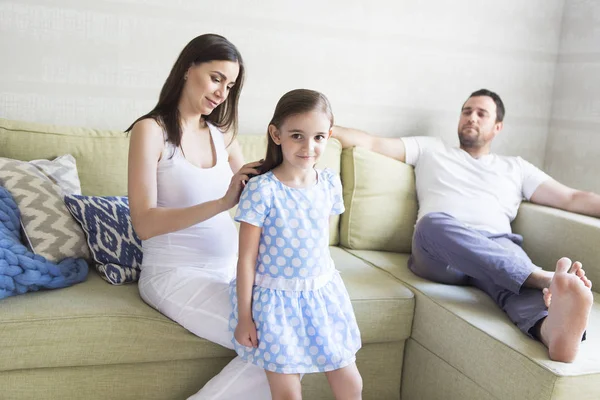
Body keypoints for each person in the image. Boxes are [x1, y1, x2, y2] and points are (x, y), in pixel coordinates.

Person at [332, 89, 595, 363]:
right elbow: (372, 143)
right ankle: (542, 276)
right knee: (432, 223)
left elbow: (572, 197)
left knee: (519, 286)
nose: (472, 118)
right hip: (440, 249)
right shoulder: (430, 149)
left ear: (497, 127)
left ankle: (553, 333)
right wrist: (321, 127)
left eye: (482, 114)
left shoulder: (515, 167)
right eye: (467, 111)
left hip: (497, 247)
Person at [126, 34, 271, 399]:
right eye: (216, 78)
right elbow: (143, 222)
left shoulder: (221, 135)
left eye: (231, 84)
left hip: (230, 272)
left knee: (288, 337)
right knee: (275, 348)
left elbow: (257, 193)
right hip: (175, 275)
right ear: (188, 68)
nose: (223, 92)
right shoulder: (151, 131)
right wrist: (223, 202)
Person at [230, 89, 363, 399]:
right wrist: (245, 317)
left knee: (351, 382)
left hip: (322, 298)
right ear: (277, 135)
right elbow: (246, 260)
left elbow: (321, 245)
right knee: (289, 393)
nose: (308, 146)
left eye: (318, 137)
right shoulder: (262, 191)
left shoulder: (329, 183)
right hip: (275, 305)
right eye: (297, 136)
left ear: (329, 136)